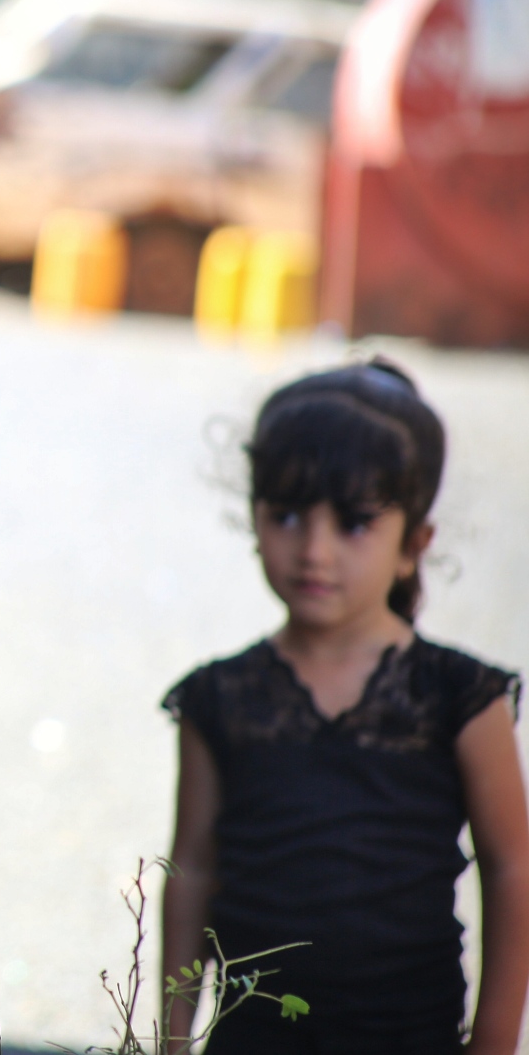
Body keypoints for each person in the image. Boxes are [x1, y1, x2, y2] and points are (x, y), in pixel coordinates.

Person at [162, 360, 529, 1054]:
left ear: (413, 544)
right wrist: (171, 1039)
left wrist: (495, 1043)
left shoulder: (461, 697)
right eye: (287, 514)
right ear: (253, 516)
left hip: (409, 1037)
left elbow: (512, 868)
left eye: (354, 522)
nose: (314, 550)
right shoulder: (219, 698)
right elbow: (193, 870)